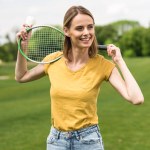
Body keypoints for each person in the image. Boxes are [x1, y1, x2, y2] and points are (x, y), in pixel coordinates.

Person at [15, 5, 144, 150]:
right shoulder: (53, 60)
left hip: (88, 141)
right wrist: (23, 47)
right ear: (66, 31)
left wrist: (120, 61)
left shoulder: (103, 65)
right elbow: (21, 76)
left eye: (90, 27)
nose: (87, 33)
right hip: (56, 142)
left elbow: (136, 98)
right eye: (80, 28)